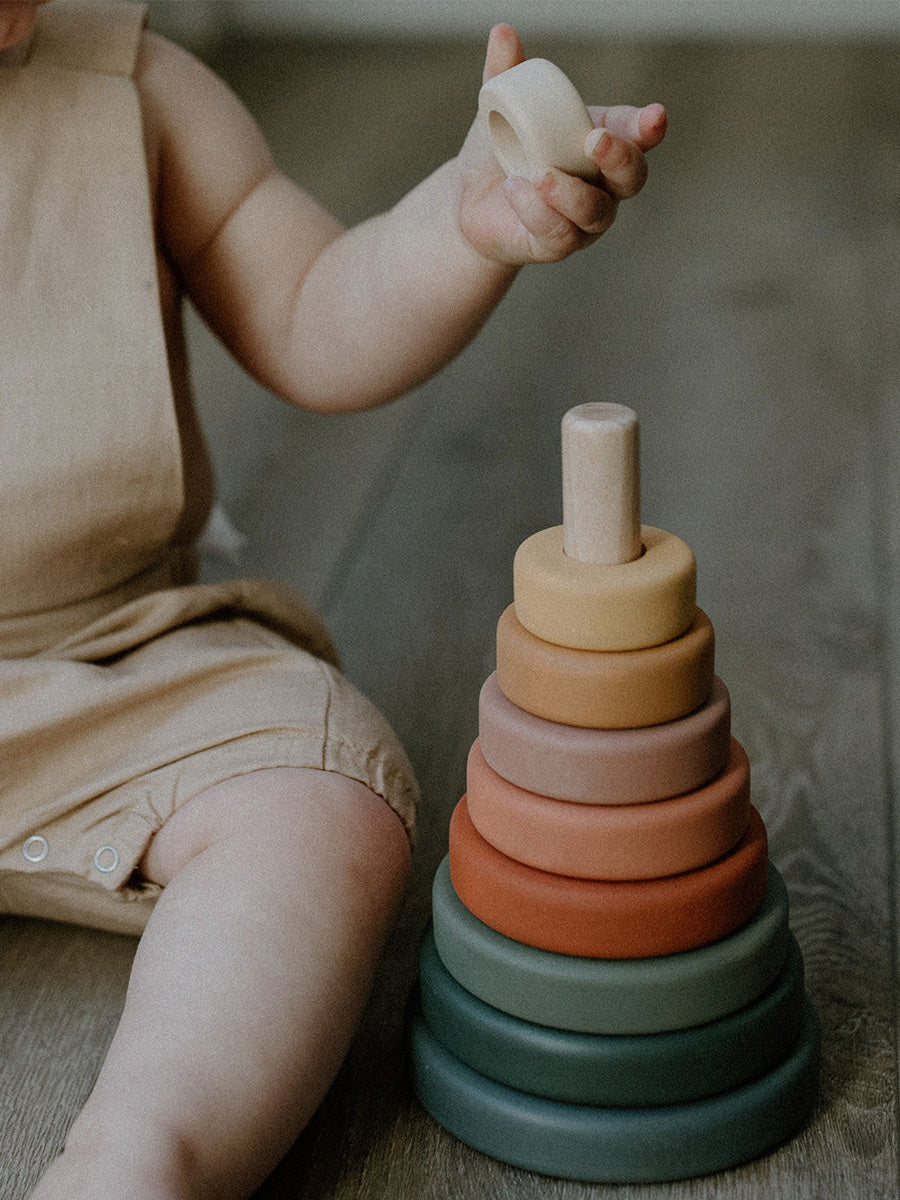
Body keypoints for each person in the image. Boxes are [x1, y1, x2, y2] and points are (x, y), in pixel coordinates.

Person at [0, 2, 667, 1197]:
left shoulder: (135, 91)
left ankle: (144, 1153)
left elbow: (312, 309)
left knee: (317, 807)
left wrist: (462, 222)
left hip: (108, 660)